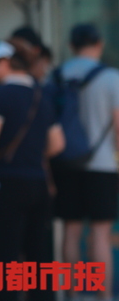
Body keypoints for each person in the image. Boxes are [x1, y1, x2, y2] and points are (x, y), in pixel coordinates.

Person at [0, 41, 64, 301]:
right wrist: (33, 153)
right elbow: (57, 144)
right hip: (38, 183)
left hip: (7, 182)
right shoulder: (42, 96)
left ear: (5, 62)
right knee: (38, 254)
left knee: (5, 253)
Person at [51, 23, 119, 300]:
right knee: (101, 233)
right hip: (102, 165)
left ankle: (71, 295)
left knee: (71, 231)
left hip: (65, 163)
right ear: (99, 44)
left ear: (71, 46)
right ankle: (103, 296)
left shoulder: (56, 76)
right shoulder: (112, 78)